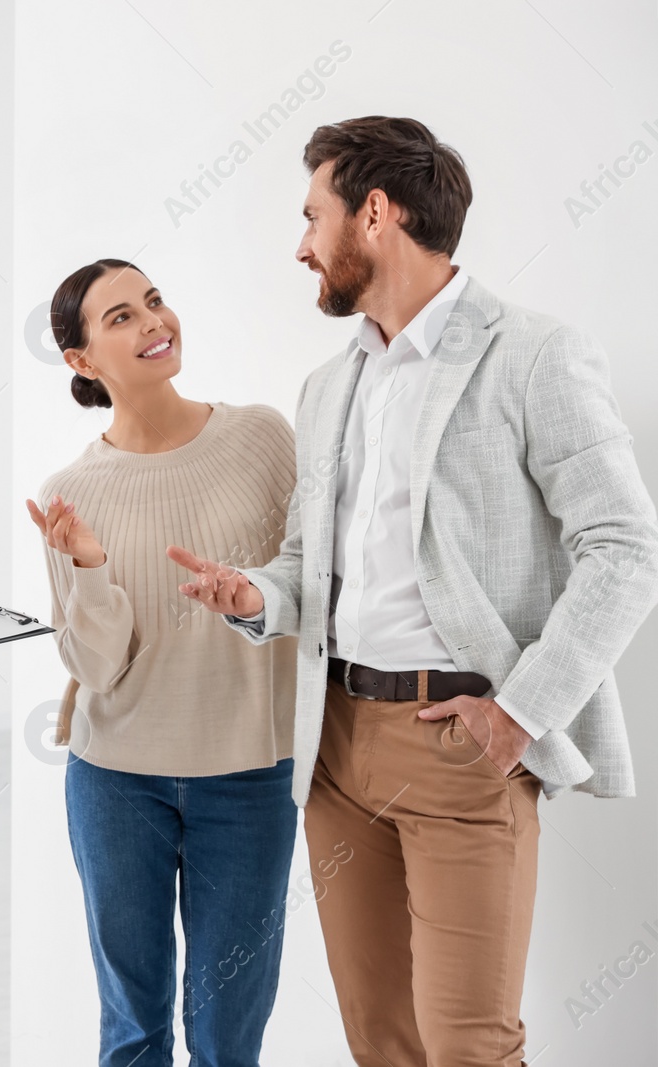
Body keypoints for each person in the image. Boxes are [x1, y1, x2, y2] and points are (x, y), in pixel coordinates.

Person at [171, 116, 658, 1065]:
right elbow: (311, 561)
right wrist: (255, 596)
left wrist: (521, 711)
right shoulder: (328, 385)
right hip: (338, 748)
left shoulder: (533, 353)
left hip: (464, 748)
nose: (302, 244)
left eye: (314, 215)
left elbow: (626, 546)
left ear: (376, 213)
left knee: (469, 1044)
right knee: (381, 1040)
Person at [28, 257, 299, 1066]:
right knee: (133, 1030)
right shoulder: (72, 490)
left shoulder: (262, 437)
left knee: (226, 1037)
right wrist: (88, 567)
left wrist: (248, 594)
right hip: (115, 781)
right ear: (81, 362)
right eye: (120, 317)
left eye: (153, 301)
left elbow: (311, 587)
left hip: (251, 776)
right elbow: (95, 666)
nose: (153, 322)